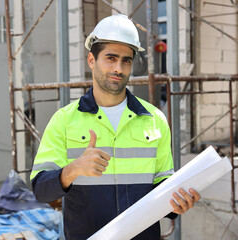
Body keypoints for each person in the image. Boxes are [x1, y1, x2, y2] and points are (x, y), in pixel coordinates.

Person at [30, 14, 200, 240]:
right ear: (92, 60)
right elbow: (41, 190)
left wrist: (177, 204)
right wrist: (74, 169)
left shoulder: (154, 120)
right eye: (110, 58)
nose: (118, 68)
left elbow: (162, 187)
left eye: (126, 60)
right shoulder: (64, 120)